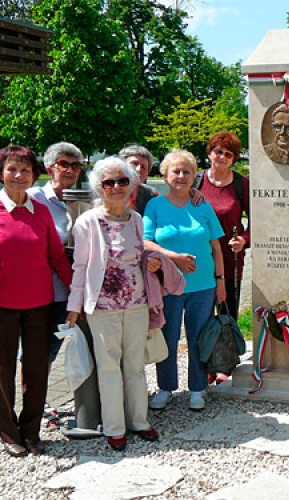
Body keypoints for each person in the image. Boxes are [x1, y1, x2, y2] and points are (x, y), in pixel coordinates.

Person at [65, 156, 159, 451]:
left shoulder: (137, 220)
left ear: (131, 185)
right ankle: (114, 427)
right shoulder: (88, 222)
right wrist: (74, 307)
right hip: (103, 307)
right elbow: (80, 267)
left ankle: (138, 420)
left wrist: (152, 263)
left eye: (122, 181)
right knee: (108, 367)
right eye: (109, 182)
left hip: (136, 303)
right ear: (99, 187)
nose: (116, 186)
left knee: (135, 365)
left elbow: (140, 255)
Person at [0, 145, 73, 457]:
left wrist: (77, 293)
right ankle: (8, 433)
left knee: (37, 372)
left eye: (25, 170)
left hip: (39, 305)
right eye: (12, 169)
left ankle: (31, 431)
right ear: (0, 173)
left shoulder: (40, 212)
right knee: (2, 372)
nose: (18, 175)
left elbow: (57, 256)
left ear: (34, 175)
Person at [143, 149, 226, 411]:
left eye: (186, 171)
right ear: (165, 176)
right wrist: (174, 257)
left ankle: (198, 388)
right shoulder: (155, 205)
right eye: (175, 171)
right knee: (167, 337)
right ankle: (166, 387)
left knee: (199, 337)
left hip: (203, 286)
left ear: (194, 176)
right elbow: (145, 241)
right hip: (168, 285)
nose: (181, 176)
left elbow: (216, 247)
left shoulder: (202, 205)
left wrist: (221, 281)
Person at [25, 141, 83, 427]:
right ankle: (35, 406)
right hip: (37, 290)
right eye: (64, 164)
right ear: (50, 168)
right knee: (33, 353)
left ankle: (42, 400)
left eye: (75, 165)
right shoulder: (34, 198)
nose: (70, 170)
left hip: (68, 291)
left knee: (51, 350)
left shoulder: (84, 199)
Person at [194, 131, 250, 321]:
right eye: (218, 151)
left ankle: (228, 342)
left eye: (228, 154)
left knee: (228, 316)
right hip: (200, 257)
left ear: (233, 159)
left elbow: (258, 222)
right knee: (201, 316)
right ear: (210, 152)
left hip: (230, 259)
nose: (222, 157)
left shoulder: (241, 185)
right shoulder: (195, 181)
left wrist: (243, 240)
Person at [117, 144, 159, 216]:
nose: (139, 169)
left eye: (143, 167)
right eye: (134, 163)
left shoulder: (151, 195)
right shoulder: (107, 189)